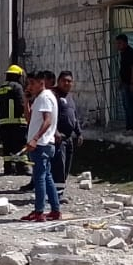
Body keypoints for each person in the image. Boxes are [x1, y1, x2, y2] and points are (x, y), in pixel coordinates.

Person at [21, 72, 60, 222]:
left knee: (39, 178)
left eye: (32, 83)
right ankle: (55, 210)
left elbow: (48, 120)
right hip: (43, 143)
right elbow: (30, 119)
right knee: (47, 176)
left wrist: (35, 139)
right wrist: (27, 101)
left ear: (40, 83)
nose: (29, 87)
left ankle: (39, 211)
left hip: (42, 144)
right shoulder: (40, 98)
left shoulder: (44, 97)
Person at [53, 71, 83, 199]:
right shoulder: (54, 95)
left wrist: (79, 133)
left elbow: (74, 117)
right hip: (58, 138)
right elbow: (49, 116)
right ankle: (56, 195)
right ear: (58, 81)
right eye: (64, 80)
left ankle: (60, 192)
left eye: (69, 81)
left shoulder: (70, 97)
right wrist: (55, 132)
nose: (67, 83)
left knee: (66, 167)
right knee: (59, 166)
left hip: (69, 138)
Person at [0, 64, 29, 175]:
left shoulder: (1, 88)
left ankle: (8, 168)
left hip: (4, 123)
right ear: (17, 76)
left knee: (7, 147)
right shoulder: (17, 87)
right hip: (17, 123)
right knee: (20, 146)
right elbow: (21, 104)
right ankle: (22, 168)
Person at [116, 34, 133, 133]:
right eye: (116, 43)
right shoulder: (123, 53)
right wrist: (121, 81)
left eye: (119, 43)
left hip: (130, 83)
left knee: (130, 105)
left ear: (125, 43)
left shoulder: (131, 53)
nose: (117, 45)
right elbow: (123, 69)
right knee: (126, 105)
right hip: (125, 83)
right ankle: (128, 127)